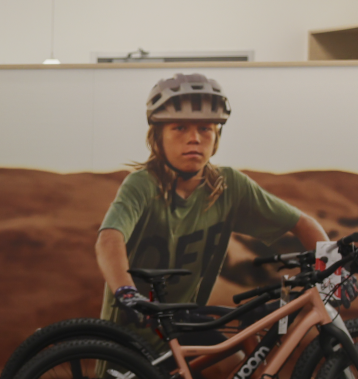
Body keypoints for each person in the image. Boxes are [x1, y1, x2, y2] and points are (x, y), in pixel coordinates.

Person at [97, 73, 326, 335]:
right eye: (180, 128)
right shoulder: (141, 185)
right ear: (157, 137)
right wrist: (126, 293)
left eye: (205, 128)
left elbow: (302, 223)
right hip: (133, 331)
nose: (194, 138)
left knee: (245, 371)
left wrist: (333, 274)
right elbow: (109, 239)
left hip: (185, 325)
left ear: (216, 137)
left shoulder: (230, 186)